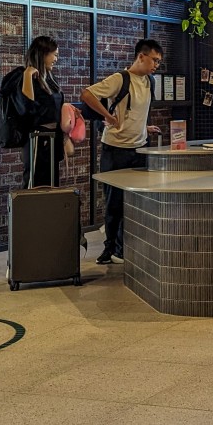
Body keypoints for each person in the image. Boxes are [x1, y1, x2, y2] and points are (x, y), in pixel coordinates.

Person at [81, 39, 163, 265]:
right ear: (141, 56)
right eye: (154, 60)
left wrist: (144, 127)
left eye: (159, 62)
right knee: (114, 202)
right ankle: (109, 249)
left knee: (135, 201)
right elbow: (87, 94)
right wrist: (107, 116)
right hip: (115, 150)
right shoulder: (120, 79)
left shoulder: (150, 81)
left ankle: (123, 249)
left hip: (139, 149)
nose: (156, 65)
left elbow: (136, 112)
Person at [17, 36, 64, 188]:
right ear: (43, 54)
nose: (56, 59)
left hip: (53, 137)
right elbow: (27, 107)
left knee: (52, 184)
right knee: (34, 183)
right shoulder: (28, 77)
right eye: (54, 55)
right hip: (37, 137)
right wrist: (27, 75)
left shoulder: (50, 77)